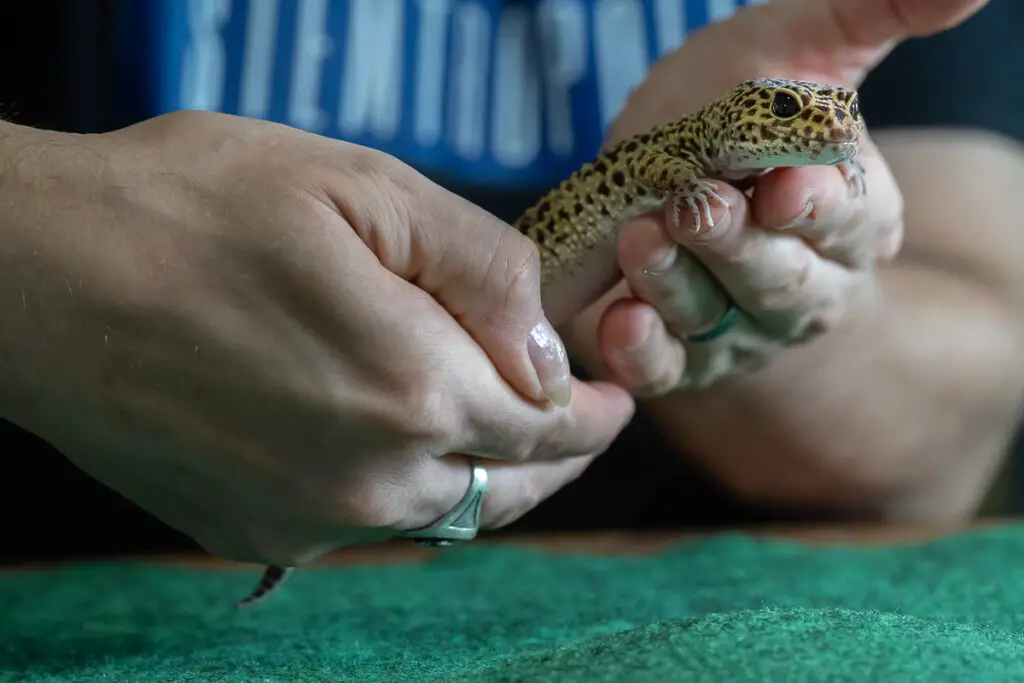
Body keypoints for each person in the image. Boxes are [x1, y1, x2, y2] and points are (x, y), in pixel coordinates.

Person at [1, 0, 1021, 571]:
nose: (826, 132)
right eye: (800, 126)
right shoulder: (696, 156)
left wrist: (772, 295)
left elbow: (961, 411)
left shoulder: (735, 146)